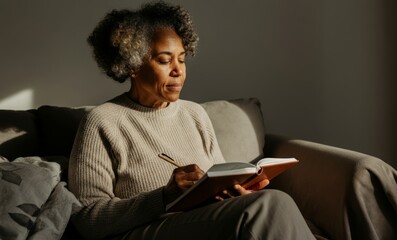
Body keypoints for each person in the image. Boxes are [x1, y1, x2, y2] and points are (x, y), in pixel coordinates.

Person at [68, 1, 316, 239]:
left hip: (203, 225)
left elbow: (220, 179)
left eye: (182, 59)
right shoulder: (102, 121)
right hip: (145, 230)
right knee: (271, 204)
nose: (178, 70)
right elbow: (87, 220)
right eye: (165, 60)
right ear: (132, 65)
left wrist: (235, 193)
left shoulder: (195, 114)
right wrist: (164, 196)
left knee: (269, 202)